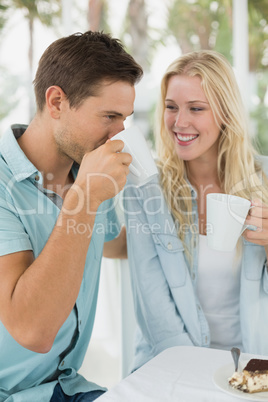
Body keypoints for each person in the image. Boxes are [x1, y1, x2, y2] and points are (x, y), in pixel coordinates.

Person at [0, 31, 143, 401]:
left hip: (63, 386)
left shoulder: (85, 171)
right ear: (57, 101)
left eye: (125, 119)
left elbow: (112, 242)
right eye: (109, 116)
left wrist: (197, 223)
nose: (119, 134)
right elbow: (33, 331)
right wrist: (84, 198)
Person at [123, 50, 268, 371]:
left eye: (196, 109)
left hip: (252, 369)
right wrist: (198, 378)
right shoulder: (145, 187)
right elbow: (153, 306)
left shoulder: (265, 183)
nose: (179, 122)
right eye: (171, 107)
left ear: (226, 114)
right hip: (169, 367)